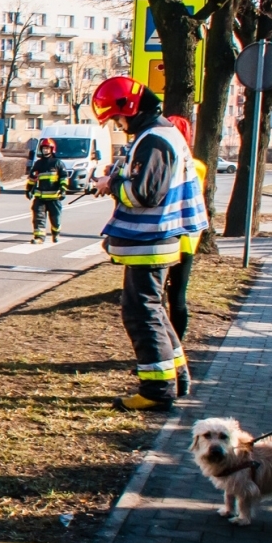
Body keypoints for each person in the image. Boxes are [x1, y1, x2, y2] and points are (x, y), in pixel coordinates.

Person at [91, 76, 208, 412]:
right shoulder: (160, 134)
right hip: (159, 239)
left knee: (141, 313)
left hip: (151, 240)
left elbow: (144, 193)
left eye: (117, 118)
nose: (118, 125)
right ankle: (177, 376)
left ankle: (156, 390)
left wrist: (111, 184)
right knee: (153, 309)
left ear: (129, 108)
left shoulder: (155, 140)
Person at [164, 114, 208, 396]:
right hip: (184, 240)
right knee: (170, 298)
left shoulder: (191, 166)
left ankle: (172, 349)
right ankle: (169, 348)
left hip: (176, 239)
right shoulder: (196, 165)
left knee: (174, 298)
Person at [26, 136, 67, 244]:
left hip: (54, 198)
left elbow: (63, 177)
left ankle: (56, 233)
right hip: (40, 198)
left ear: (52, 149)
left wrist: (63, 190)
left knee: (56, 220)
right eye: (43, 148)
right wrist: (28, 189)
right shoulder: (38, 163)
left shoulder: (57, 163)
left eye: (47, 148)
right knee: (38, 218)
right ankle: (39, 238)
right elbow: (32, 178)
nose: (45, 150)